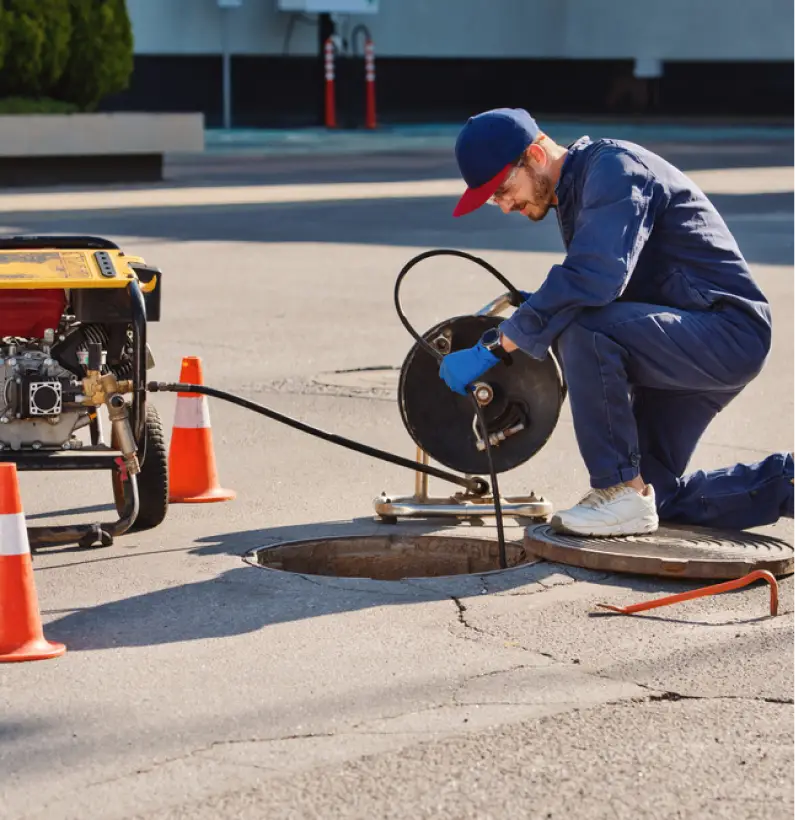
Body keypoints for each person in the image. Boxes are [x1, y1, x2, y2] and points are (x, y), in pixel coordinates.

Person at [439, 107, 791, 537]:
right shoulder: (578, 191)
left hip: (724, 333)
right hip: (683, 338)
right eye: (494, 199)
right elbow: (604, 285)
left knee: (583, 329)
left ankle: (618, 490)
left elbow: (595, 277)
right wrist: (535, 311)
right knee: (658, 496)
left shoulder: (615, 169)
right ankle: (787, 483)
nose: (505, 205)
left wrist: (496, 345)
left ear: (535, 156)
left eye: (503, 190)